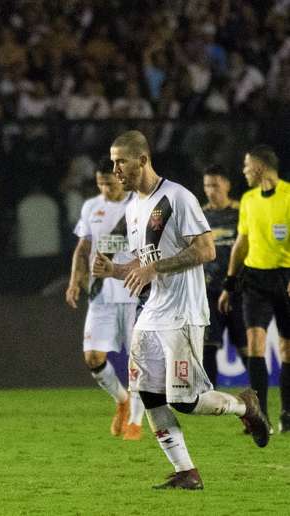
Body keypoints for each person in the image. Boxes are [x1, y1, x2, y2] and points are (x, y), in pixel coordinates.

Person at [93, 130, 270, 490]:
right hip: (153, 312)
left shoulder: (177, 197)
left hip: (184, 313)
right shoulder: (134, 208)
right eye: (112, 163)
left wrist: (152, 269)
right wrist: (113, 270)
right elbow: (145, 265)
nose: (116, 170)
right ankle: (186, 471)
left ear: (142, 160)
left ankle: (244, 406)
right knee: (149, 393)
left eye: (120, 162)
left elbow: (206, 251)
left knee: (185, 400)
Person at [66, 157, 145, 440]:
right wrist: (75, 280)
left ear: (120, 179)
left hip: (133, 290)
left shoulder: (138, 204)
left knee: (138, 360)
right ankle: (121, 400)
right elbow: (83, 246)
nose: (105, 189)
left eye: (109, 184)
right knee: (92, 357)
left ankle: (135, 422)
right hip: (101, 295)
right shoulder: (91, 206)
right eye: (100, 184)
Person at [218, 145, 290, 432]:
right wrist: (229, 284)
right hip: (255, 281)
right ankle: (261, 419)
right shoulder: (248, 200)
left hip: (285, 278)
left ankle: (287, 414)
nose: (244, 171)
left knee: (286, 349)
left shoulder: (288, 195)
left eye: (247, 166)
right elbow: (241, 243)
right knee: (256, 347)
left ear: (259, 168)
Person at [201, 165, 247, 388]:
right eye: (207, 186)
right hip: (208, 290)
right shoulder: (200, 216)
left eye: (215, 186)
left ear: (227, 185)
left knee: (247, 345)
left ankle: (261, 395)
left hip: (238, 290)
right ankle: (210, 395)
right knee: (208, 344)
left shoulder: (241, 212)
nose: (211, 191)